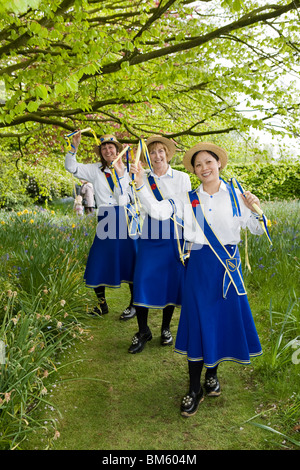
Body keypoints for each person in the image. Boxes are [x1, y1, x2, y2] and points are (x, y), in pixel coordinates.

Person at [131, 141, 264, 416]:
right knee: (199, 323)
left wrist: (257, 210)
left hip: (228, 268)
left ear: (219, 164)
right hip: (200, 267)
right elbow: (157, 211)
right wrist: (142, 183)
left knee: (217, 323)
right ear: (193, 169)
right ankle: (194, 388)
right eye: (198, 164)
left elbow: (257, 229)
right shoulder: (187, 199)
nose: (204, 168)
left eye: (208, 162)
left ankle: (212, 374)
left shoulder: (238, 195)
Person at [116, 135, 191, 351]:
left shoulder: (181, 178)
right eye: (152, 152)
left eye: (161, 151)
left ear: (167, 154)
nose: (157, 155)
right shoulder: (141, 175)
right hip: (148, 234)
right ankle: (143, 331)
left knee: (170, 281)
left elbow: (183, 209)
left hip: (173, 235)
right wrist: (123, 175)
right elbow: (123, 200)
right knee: (142, 280)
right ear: (147, 156)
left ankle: (166, 328)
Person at [65, 131, 137, 318]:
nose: (107, 150)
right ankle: (102, 304)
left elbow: (128, 197)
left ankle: (134, 305)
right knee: (97, 260)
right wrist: (74, 147)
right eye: (103, 147)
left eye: (110, 147)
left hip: (126, 217)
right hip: (105, 218)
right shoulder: (95, 169)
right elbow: (71, 167)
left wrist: (122, 175)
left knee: (131, 261)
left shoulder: (129, 169)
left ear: (117, 149)